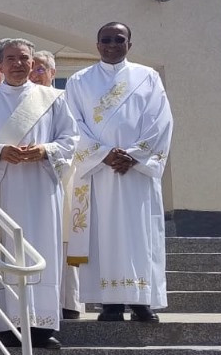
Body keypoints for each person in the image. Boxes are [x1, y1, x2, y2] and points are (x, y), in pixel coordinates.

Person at [0, 38, 77, 350]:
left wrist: (45, 150)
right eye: (11, 58)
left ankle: (42, 325)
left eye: (24, 58)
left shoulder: (54, 98)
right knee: (5, 251)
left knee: (42, 249)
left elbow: (70, 139)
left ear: (33, 63)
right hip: (3, 188)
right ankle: (6, 324)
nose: (18, 64)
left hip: (42, 189)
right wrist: (0, 152)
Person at [65, 21, 173, 323]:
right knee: (104, 235)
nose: (112, 44)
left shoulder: (147, 77)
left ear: (130, 43)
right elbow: (73, 124)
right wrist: (103, 154)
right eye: (106, 39)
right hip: (100, 173)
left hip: (137, 173)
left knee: (141, 235)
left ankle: (142, 301)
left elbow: (161, 121)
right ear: (97, 44)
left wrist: (134, 156)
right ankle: (109, 303)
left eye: (119, 39)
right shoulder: (78, 81)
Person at [31, 48, 82, 319]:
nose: (35, 74)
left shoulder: (63, 99)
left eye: (41, 69)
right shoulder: (22, 101)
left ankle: (68, 301)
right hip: (29, 178)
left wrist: (48, 152)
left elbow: (73, 139)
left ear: (53, 73)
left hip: (62, 175)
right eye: (32, 68)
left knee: (64, 238)